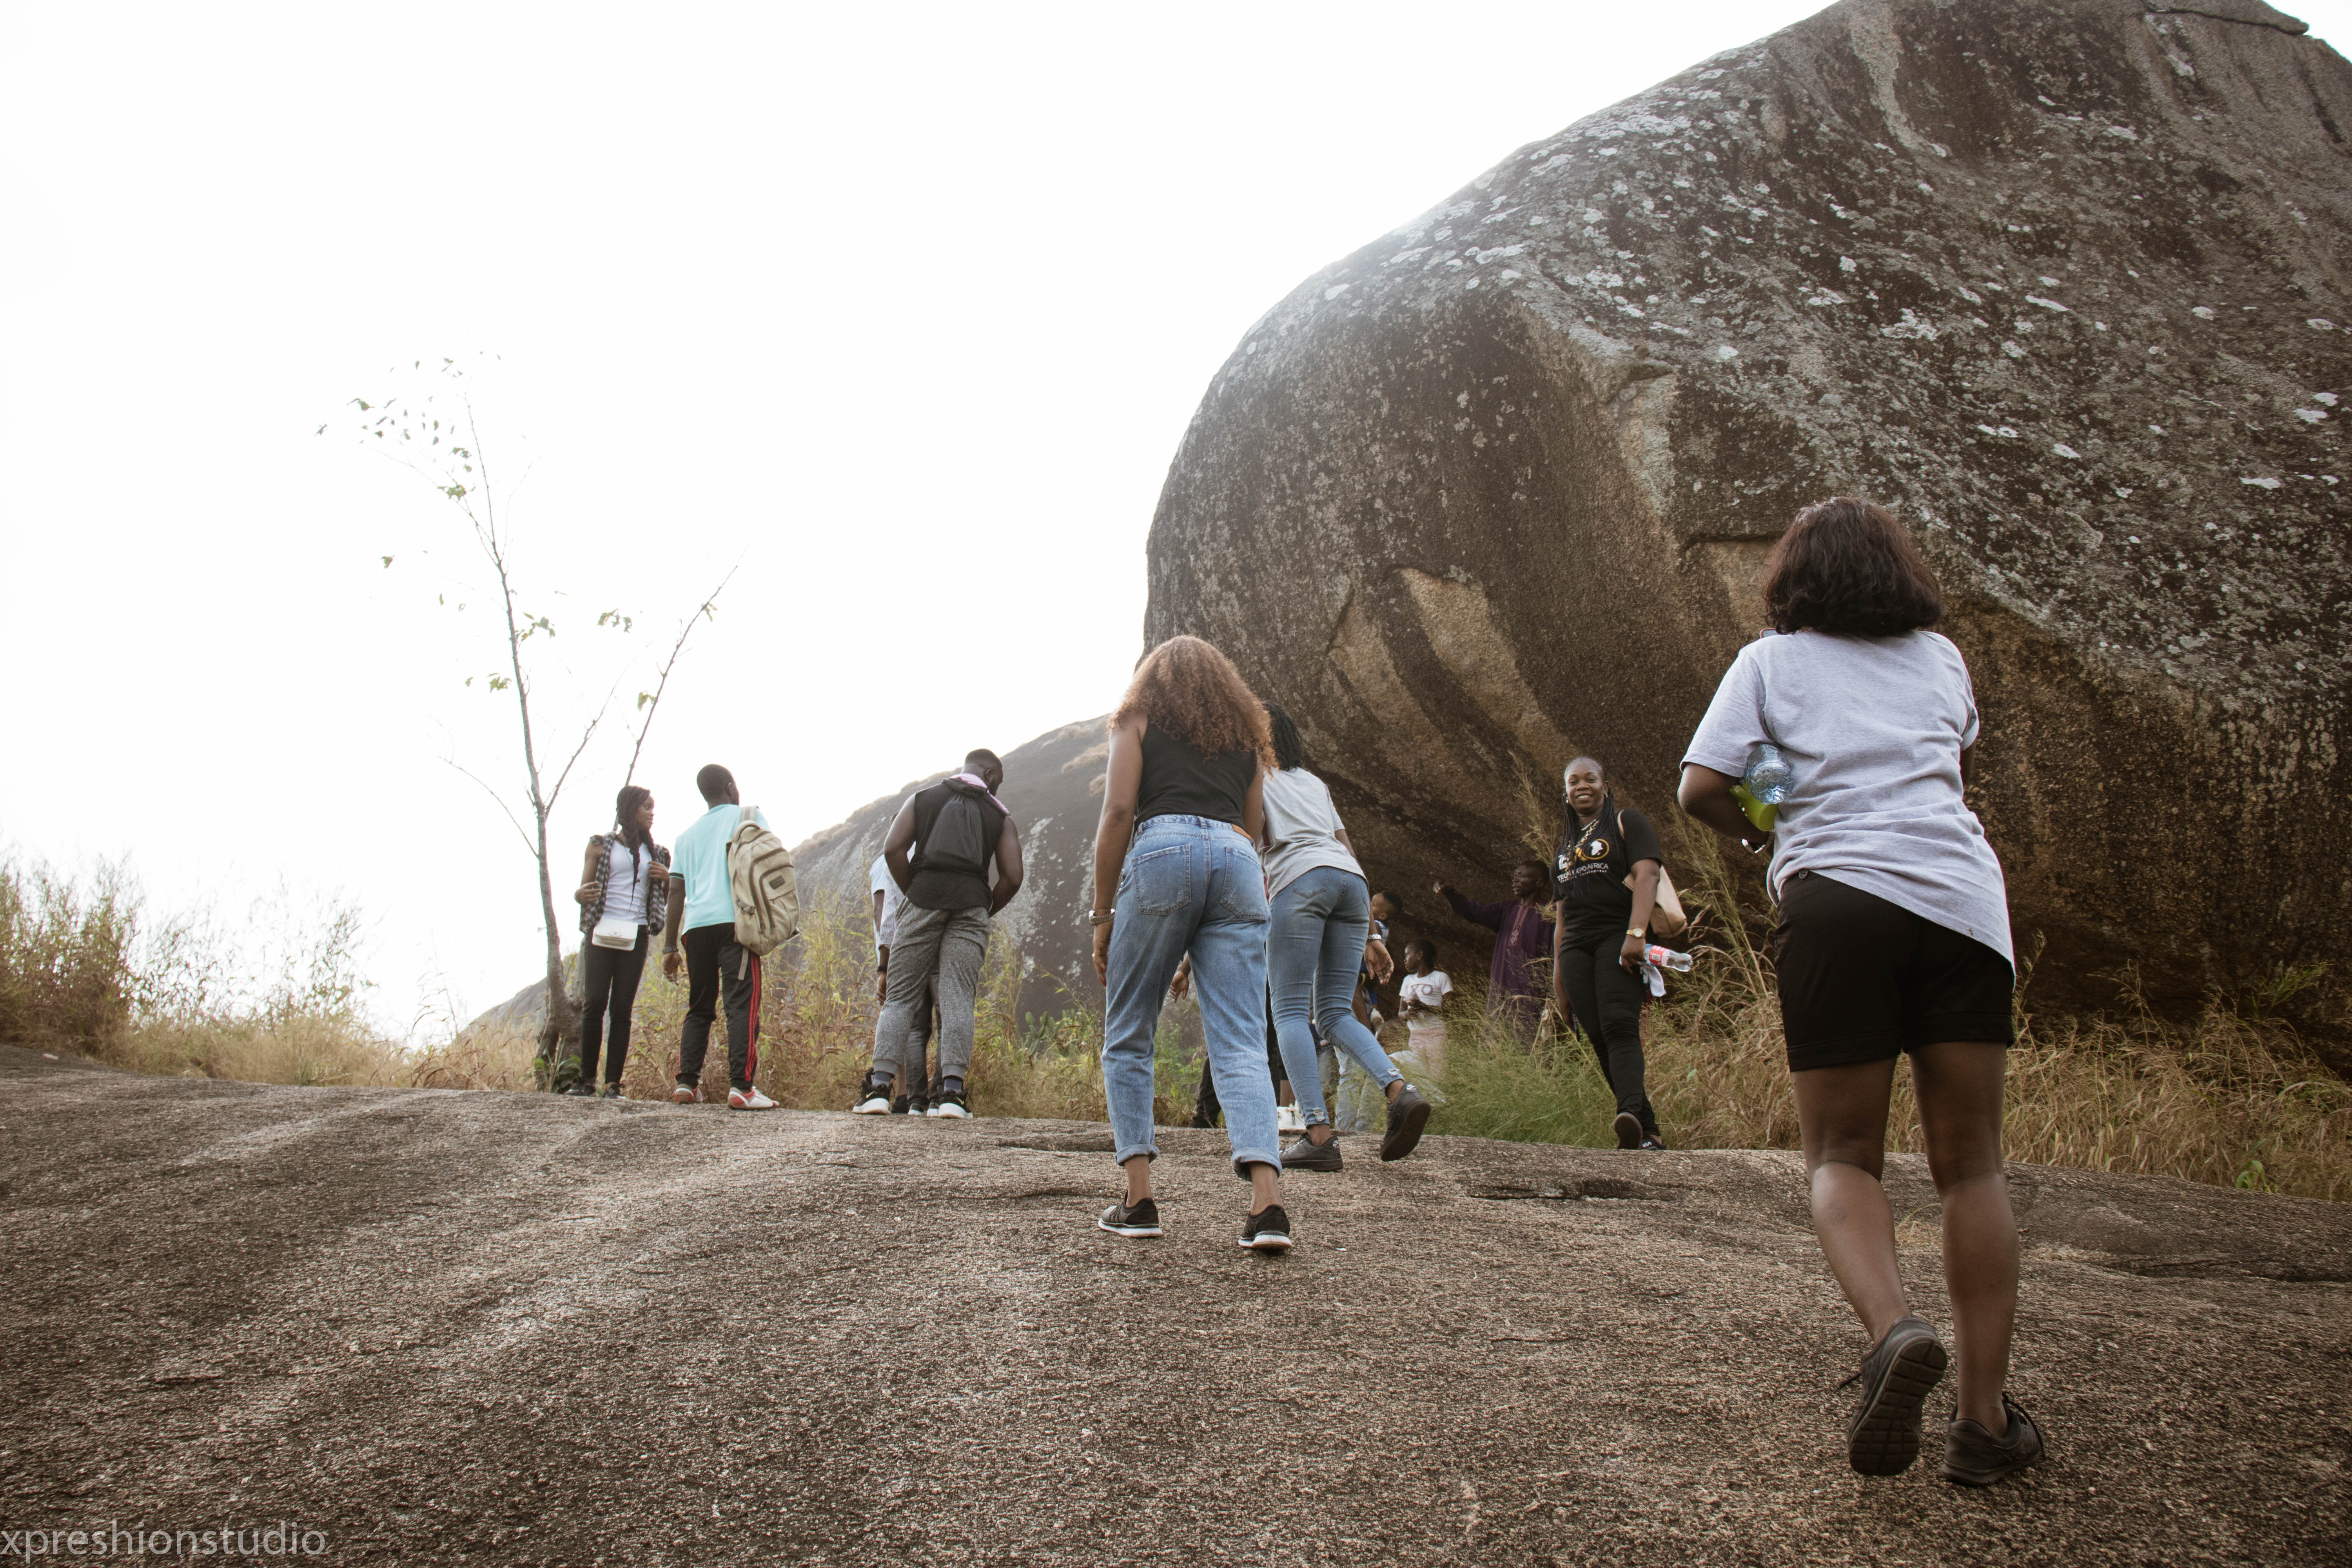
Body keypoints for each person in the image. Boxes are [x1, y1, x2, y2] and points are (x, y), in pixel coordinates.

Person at [1678, 496, 2040, 1486]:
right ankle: (1984, 1423)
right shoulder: (1942, 659)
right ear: (1897, 570)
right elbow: (1946, 766)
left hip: (1837, 897)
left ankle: (1894, 1329)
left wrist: (1770, 817)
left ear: (1793, 579)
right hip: (1962, 901)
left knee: (1842, 1153)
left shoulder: (1771, 662)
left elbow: (1701, 785)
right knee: (1973, 1166)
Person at [1088, 635, 1292, 1251]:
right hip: (1238, 861)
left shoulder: (1136, 720)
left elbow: (1118, 812)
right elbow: (1253, 827)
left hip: (1162, 849)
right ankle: (1267, 1207)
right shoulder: (1246, 740)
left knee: (1130, 1030)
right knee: (1242, 1040)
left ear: (1150, 681)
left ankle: (1139, 1200)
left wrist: (1103, 913)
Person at [1258, 702, 1430, 1172]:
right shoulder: (1314, 782)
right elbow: (1346, 847)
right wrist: (1372, 931)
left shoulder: (1251, 776)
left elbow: (1249, 841)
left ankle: (1317, 1134)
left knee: (1290, 1012)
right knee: (1334, 1012)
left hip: (1299, 880)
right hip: (1351, 884)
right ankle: (1400, 1091)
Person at [853, 751, 1024, 1120]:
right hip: (971, 906)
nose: (997, 788)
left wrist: (915, 894)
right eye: (998, 781)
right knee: (958, 997)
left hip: (923, 899)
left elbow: (893, 849)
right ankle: (952, 1095)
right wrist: (982, 909)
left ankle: (879, 1090)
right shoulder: (1000, 816)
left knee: (900, 996)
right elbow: (1013, 877)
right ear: (989, 773)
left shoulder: (922, 799)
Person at [1555, 757, 1666, 1151]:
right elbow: (1562, 915)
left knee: (1619, 1024)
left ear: (1605, 786)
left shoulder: (1626, 822)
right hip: (1575, 947)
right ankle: (1645, 1129)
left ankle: (1630, 1114)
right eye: (1574, 782)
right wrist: (1559, 979)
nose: (1582, 786)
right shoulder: (1566, 844)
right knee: (1599, 1037)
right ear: (1566, 792)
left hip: (1618, 935)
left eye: (1590, 779)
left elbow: (1648, 874)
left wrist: (1637, 933)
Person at [661, 764, 777, 1110]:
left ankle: (687, 1083)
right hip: (735, 925)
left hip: (695, 930)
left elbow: (676, 893)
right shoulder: (748, 816)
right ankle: (742, 1087)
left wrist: (670, 947)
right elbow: (769, 863)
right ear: (730, 787)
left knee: (700, 1006)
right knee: (741, 1003)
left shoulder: (685, 837)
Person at [569, 784, 670, 1098]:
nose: (652, 813)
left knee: (622, 1009)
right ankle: (586, 1081)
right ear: (629, 809)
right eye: (647, 807)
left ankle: (613, 1084)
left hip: (636, 934)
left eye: (653, 807)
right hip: (601, 930)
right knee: (594, 1003)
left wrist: (665, 878)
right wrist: (578, 895)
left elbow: (662, 901)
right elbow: (583, 890)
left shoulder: (657, 853)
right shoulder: (600, 846)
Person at [1434, 862, 1555, 1034]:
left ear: (1540, 883)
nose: (1515, 880)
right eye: (1515, 875)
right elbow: (1474, 912)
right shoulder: (1507, 909)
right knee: (1496, 1039)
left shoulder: (1549, 914)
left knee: (1527, 1038)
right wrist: (1450, 894)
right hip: (1499, 997)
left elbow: (1554, 959)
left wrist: (1552, 1000)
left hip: (1531, 997)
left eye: (1521, 875)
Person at [867, 850, 936, 1114]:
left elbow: (881, 910)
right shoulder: (927, 853)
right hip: (933, 945)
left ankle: (910, 1099)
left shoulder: (885, 861)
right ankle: (931, 1097)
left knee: (910, 1024)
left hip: (902, 949)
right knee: (932, 1024)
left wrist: (883, 964)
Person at [1396, 940, 1452, 1090]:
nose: (1405, 959)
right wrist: (1410, 1014)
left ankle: (1440, 1101)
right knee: (1419, 1077)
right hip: (1415, 1034)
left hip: (1436, 1033)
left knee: (1439, 1076)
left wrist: (1424, 1007)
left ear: (1420, 955)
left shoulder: (1441, 977)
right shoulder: (1408, 980)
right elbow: (1401, 1013)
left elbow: (1449, 1011)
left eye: (1408, 955)